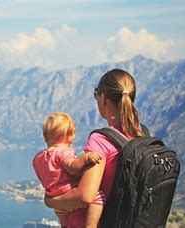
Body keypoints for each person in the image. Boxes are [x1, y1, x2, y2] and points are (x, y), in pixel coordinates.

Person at [43, 69, 145, 227]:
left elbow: (85, 196)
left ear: (103, 99)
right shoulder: (142, 134)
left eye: (96, 93)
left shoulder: (101, 140)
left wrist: (50, 201)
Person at [32, 112, 106, 228]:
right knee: (99, 197)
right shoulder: (63, 152)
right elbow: (73, 168)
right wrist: (86, 158)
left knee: (65, 224)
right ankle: (91, 225)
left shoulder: (38, 158)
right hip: (70, 196)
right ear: (71, 135)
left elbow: (43, 177)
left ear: (45, 136)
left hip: (58, 205)